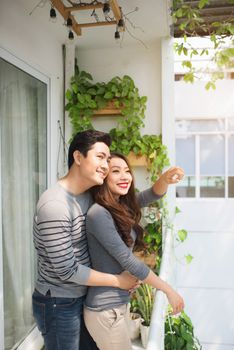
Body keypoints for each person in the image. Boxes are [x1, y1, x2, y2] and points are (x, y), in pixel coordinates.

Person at [32, 131, 138, 350]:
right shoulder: (55, 205)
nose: (106, 165)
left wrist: (161, 185)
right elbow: (68, 271)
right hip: (59, 303)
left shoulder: (89, 194)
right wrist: (118, 281)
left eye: (108, 160)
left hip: (83, 295)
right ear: (78, 158)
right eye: (100, 157)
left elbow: (127, 201)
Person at [84, 152, 185, 350]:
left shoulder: (121, 206)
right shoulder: (99, 214)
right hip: (105, 309)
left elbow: (152, 194)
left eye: (127, 171)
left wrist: (165, 179)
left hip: (116, 305)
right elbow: (128, 261)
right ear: (103, 177)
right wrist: (167, 289)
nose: (125, 176)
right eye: (116, 171)